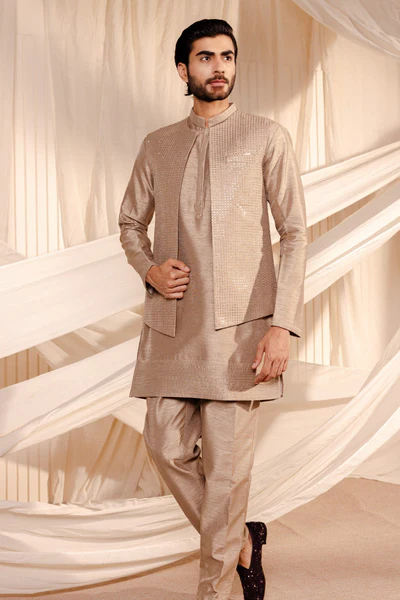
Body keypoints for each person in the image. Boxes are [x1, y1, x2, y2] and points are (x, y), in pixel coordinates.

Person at [118, 18, 307, 600]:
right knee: (164, 446)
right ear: (184, 69)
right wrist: (149, 268)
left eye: (226, 56)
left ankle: (216, 592)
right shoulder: (158, 144)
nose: (219, 67)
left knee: (224, 475)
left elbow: (295, 233)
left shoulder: (265, 136)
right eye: (205, 57)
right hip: (172, 325)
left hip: (241, 333)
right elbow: (130, 223)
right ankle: (243, 540)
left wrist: (281, 326)